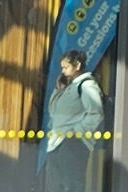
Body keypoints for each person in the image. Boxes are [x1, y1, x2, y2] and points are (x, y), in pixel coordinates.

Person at [43, 49, 103, 192]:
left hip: (73, 140)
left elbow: (96, 113)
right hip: (57, 141)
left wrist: (77, 131)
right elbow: (53, 111)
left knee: (72, 183)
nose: (63, 71)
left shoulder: (86, 85)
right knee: (54, 184)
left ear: (77, 65)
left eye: (66, 67)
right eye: (62, 68)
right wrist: (59, 89)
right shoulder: (70, 86)